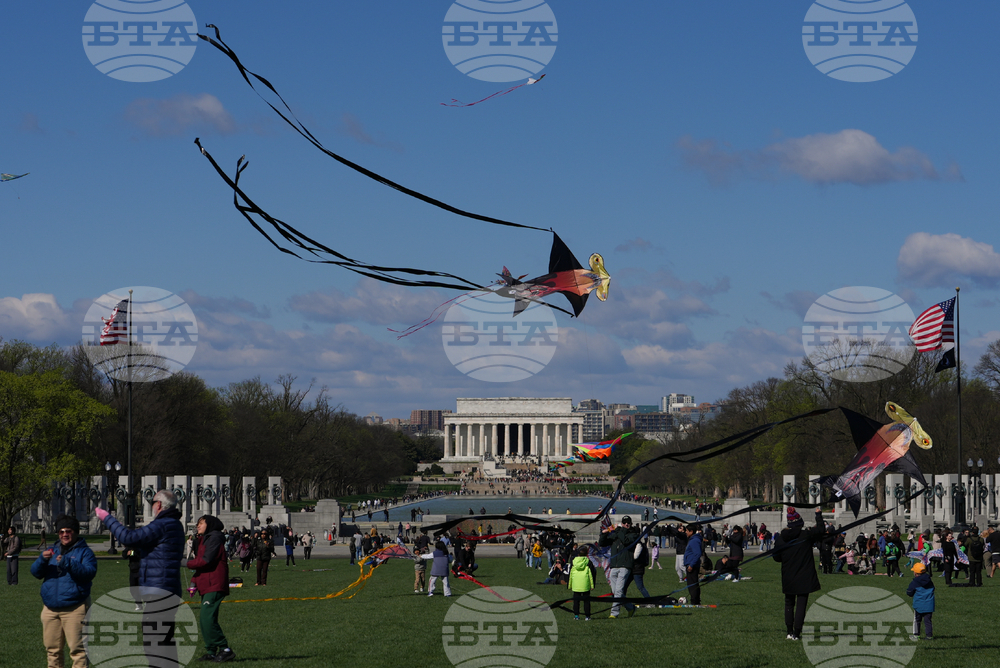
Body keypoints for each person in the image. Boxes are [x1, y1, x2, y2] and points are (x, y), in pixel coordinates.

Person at [96, 489, 185, 667]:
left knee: (154, 644)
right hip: (168, 589)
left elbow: (128, 537)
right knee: (165, 643)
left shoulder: (162, 524)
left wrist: (108, 518)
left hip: (158, 592)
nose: (152, 506)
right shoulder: (174, 525)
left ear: (159, 505)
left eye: (152, 503)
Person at [30, 514, 97, 668]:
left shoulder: (85, 552)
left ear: (76, 532)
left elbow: (89, 573)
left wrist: (68, 562)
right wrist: (41, 560)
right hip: (50, 608)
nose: (65, 534)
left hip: (75, 607)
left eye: (68, 531)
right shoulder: (52, 550)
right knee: (52, 650)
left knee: (78, 651)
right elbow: (35, 573)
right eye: (61, 531)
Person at [773, 508, 827, 640]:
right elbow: (821, 530)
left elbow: (776, 557)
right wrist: (818, 514)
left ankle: (789, 631)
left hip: (788, 575)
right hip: (804, 575)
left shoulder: (781, 539)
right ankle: (797, 633)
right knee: (801, 604)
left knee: (789, 603)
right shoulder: (805, 535)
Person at [187, 515, 235, 663]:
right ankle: (211, 651)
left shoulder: (214, 539)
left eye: (201, 523)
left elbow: (205, 560)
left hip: (214, 584)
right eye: (197, 523)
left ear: (210, 525)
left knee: (207, 619)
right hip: (206, 584)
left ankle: (225, 649)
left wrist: (185, 563)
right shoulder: (202, 540)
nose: (198, 526)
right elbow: (202, 566)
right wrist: (194, 582)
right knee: (206, 620)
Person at [600, 515, 640, 618]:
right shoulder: (616, 534)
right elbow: (602, 543)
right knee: (615, 592)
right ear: (622, 523)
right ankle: (630, 607)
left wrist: (620, 530)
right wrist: (605, 532)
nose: (626, 524)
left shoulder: (633, 534)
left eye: (628, 523)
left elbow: (626, 541)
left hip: (625, 565)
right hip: (614, 565)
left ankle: (614, 613)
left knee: (618, 591)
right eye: (624, 522)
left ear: (630, 524)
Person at [906, 562, 934, 640]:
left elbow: (909, 592)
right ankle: (929, 636)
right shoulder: (929, 580)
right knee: (928, 621)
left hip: (918, 604)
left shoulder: (915, 582)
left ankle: (916, 635)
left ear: (915, 573)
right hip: (929, 604)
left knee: (917, 620)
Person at [568, 546, 595, 621]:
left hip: (576, 585)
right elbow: (592, 574)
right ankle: (587, 616)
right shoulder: (589, 562)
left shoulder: (573, 561)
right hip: (585, 584)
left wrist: (569, 585)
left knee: (576, 601)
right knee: (586, 601)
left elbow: (570, 574)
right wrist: (592, 585)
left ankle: (576, 615)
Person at [683, 523, 703, 606]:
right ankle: (695, 600)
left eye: (687, 531)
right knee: (692, 583)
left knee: (692, 584)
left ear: (691, 531)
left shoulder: (694, 541)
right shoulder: (692, 540)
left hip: (692, 566)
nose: (686, 532)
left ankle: (694, 601)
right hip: (691, 564)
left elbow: (697, 553)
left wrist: (691, 565)